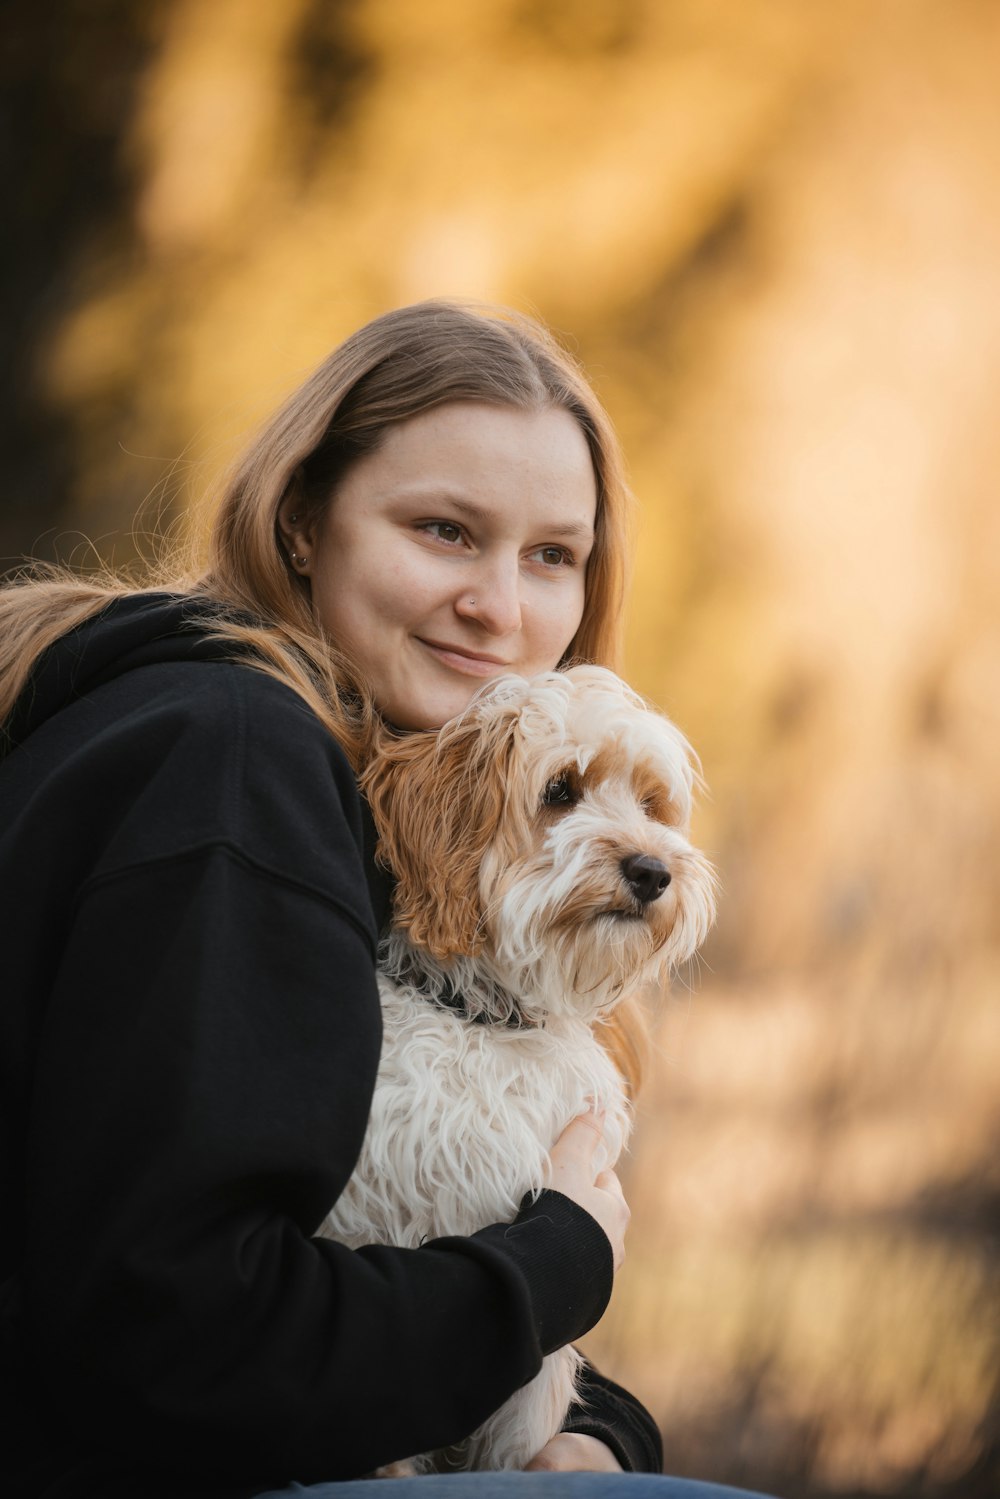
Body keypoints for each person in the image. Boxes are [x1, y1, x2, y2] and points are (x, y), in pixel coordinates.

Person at [0, 301, 774, 1499]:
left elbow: (355, 1250)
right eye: (444, 531)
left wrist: (592, 1421)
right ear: (303, 522)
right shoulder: (235, 762)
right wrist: (554, 1264)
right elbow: (182, 1334)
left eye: (551, 555)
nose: (501, 609)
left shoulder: (269, 755)